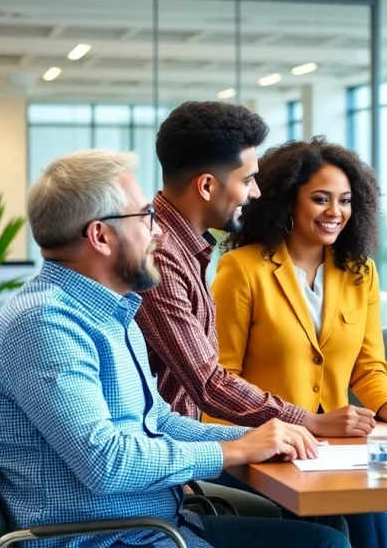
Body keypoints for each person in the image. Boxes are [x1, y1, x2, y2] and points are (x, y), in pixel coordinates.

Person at [0, 150, 348, 548]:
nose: (158, 233)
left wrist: (264, 437)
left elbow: (158, 421)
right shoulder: (45, 324)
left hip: (152, 526)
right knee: (326, 542)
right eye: (145, 216)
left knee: (329, 530)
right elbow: (106, 463)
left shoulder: (112, 311)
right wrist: (232, 451)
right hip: (106, 540)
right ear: (101, 235)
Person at [210, 138, 387, 548]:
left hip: (334, 449)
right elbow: (220, 378)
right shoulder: (242, 269)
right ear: (287, 201)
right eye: (321, 199)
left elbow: (369, 367)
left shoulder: (360, 273)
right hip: (260, 445)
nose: (336, 212)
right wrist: (297, 423)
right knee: (335, 527)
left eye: (346, 201)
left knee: (371, 507)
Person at [132, 101, 331, 523]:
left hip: (183, 452)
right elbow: (207, 382)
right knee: (323, 523)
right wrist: (308, 422)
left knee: (338, 513)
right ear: (207, 186)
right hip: (166, 474)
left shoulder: (189, 249)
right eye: (248, 179)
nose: (256, 193)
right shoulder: (162, 256)